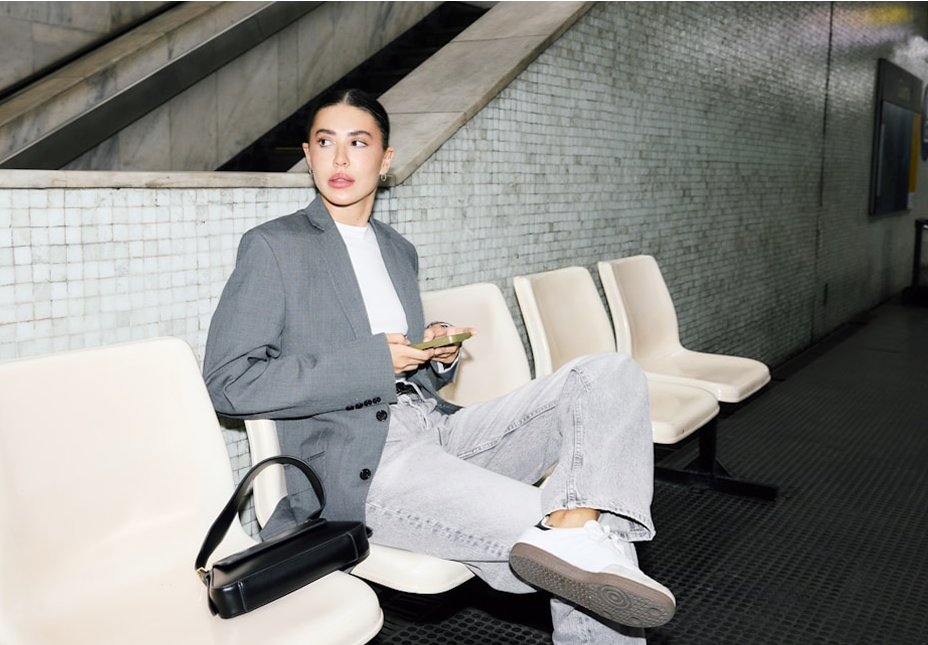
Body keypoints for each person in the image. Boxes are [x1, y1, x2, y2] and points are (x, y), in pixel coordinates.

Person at [202, 87, 675, 643]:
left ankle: (576, 526)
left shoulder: (397, 249)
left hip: (438, 427)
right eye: (326, 143)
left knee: (609, 374)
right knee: (582, 550)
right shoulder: (274, 246)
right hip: (362, 463)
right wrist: (374, 361)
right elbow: (229, 382)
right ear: (307, 154)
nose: (340, 158)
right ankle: (576, 534)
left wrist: (433, 357)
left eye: (359, 143)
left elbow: (406, 373)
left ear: (386, 158)